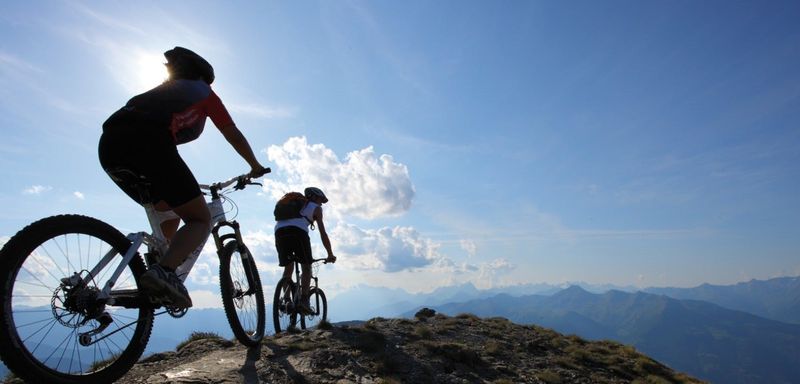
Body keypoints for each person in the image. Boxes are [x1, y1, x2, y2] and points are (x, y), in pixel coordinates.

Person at [98, 46, 268, 308]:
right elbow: (232, 133)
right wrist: (254, 165)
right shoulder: (204, 93)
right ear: (202, 77)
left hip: (110, 146)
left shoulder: (160, 93)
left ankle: (155, 269)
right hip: (149, 143)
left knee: (169, 209)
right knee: (200, 218)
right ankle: (163, 272)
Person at [275, 187, 337, 314]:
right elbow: (323, 233)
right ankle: (304, 301)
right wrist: (330, 254)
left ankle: (286, 300)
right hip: (298, 233)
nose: (321, 203)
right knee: (306, 267)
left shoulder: (294, 205)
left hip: (279, 232)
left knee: (288, 267)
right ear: (314, 197)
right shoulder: (316, 208)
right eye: (320, 199)